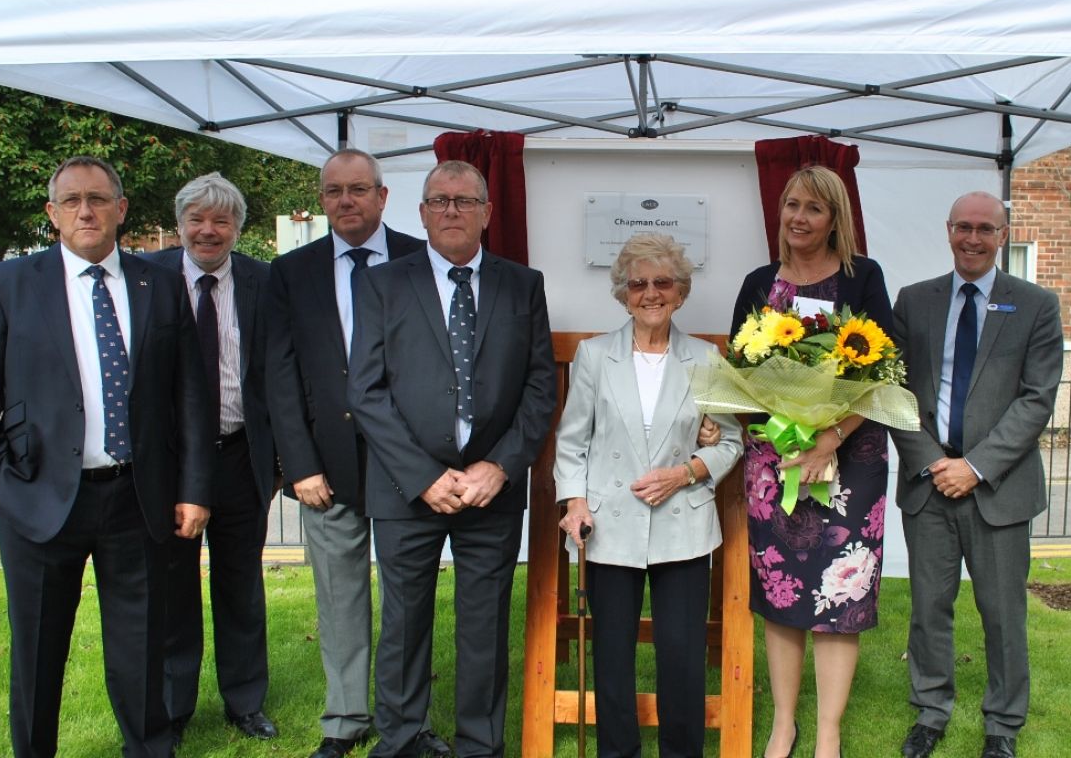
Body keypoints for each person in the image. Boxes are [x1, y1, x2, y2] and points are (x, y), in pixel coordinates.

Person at [0, 155, 212, 757]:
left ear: (122, 211)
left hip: (138, 499)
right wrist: (1, 485)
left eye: (99, 199)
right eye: (71, 201)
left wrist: (194, 487)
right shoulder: (9, 284)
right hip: (40, 502)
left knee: (141, 646)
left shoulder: (160, 281)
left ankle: (148, 748)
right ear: (53, 215)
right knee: (39, 648)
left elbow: (191, 396)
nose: (86, 211)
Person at [350, 160, 556, 758]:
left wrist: (501, 466)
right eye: (439, 201)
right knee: (404, 622)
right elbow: (365, 391)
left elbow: (540, 387)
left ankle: (478, 742)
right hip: (406, 487)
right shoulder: (384, 284)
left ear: (488, 213)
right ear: (420, 212)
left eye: (465, 201)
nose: (451, 211)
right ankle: (403, 738)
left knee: (484, 625)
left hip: (491, 486)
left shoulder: (523, 285)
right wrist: (422, 477)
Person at [888, 192, 1064, 758]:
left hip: (999, 490)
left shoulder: (1036, 304)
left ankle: (1003, 725)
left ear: (1003, 234)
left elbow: (1037, 400)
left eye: (985, 229)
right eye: (963, 226)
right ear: (947, 230)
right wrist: (931, 461)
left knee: (1003, 613)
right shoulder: (914, 302)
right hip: (927, 482)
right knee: (928, 607)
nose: (973, 238)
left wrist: (976, 467)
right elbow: (890, 390)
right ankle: (931, 711)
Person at [555, 233, 743, 758]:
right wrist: (574, 502)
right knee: (612, 658)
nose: (650, 293)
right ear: (623, 294)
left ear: (680, 292)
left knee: (681, 659)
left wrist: (686, 472)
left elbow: (730, 441)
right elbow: (572, 443)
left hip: (683, 525)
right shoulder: (593, 356)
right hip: (608, 525)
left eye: (662, 282)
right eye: (638, 284)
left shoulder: (707, 359)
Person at [730, 165, 894, 758]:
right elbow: (740, 375)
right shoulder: (758, 282)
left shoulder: (862, 278)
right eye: (791, 205)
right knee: (780, 588)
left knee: (838, 595)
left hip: (850, 460)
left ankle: (827, 731)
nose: (799, 218)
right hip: (776, 460)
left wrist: (829, 438)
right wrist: (785, 435)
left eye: (814, 209)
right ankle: (783, 725)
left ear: (835, 220)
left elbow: (883, 373)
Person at [265, 149, 425, 758]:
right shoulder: (292, 271)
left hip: (405, 461)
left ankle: (406, 721)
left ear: (383, 197)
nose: (346, 201)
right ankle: (344, 720)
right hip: (325, 465)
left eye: (358, 189)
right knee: (338, 594)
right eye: (334, 191)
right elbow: (280, 376)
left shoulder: (419, 258)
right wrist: (298, 465)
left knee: (408, 600)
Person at [143, 172, 280, 745]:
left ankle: (245, 701)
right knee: (172, 588)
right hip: (170, 466)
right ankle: (174, 708)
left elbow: (278, 373)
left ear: (237, 229)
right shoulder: (147, 280)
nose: (208, 230)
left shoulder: (263, 281)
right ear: (179, 226)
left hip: (240, 456)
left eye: (221, 220)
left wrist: (276, 463)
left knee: (240, 584)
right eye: (197, 219)